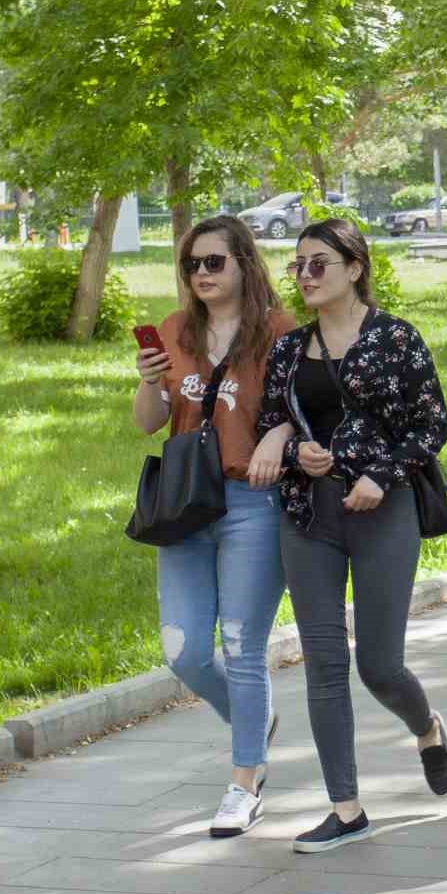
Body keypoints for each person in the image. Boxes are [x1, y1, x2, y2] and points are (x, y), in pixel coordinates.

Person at [257, 219, 447, 854]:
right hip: (308, 514)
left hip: (382, 509)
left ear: (354, 267)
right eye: (298, 266)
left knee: (378, 664)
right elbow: (272, 419)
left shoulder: (396, 339)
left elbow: (432, 424)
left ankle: (425, 727)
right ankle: (346, 808)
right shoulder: (290, 350)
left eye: (319, 263)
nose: (306, 276)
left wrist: (381, 474)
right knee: (323, 660)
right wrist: (295, 453)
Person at [132, 215, 296, 837]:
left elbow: (304, 414)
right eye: (191, 265)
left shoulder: (280, 333)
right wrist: (150, 382)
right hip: (183, 507)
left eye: (213, 262)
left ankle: (243, 783)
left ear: (243, 264)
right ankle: (256, 721)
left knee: (241, 646)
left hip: (251, 502)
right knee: (185, 654)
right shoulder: (175, 332)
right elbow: (148, 422)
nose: (201, 274)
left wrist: (277, 438)